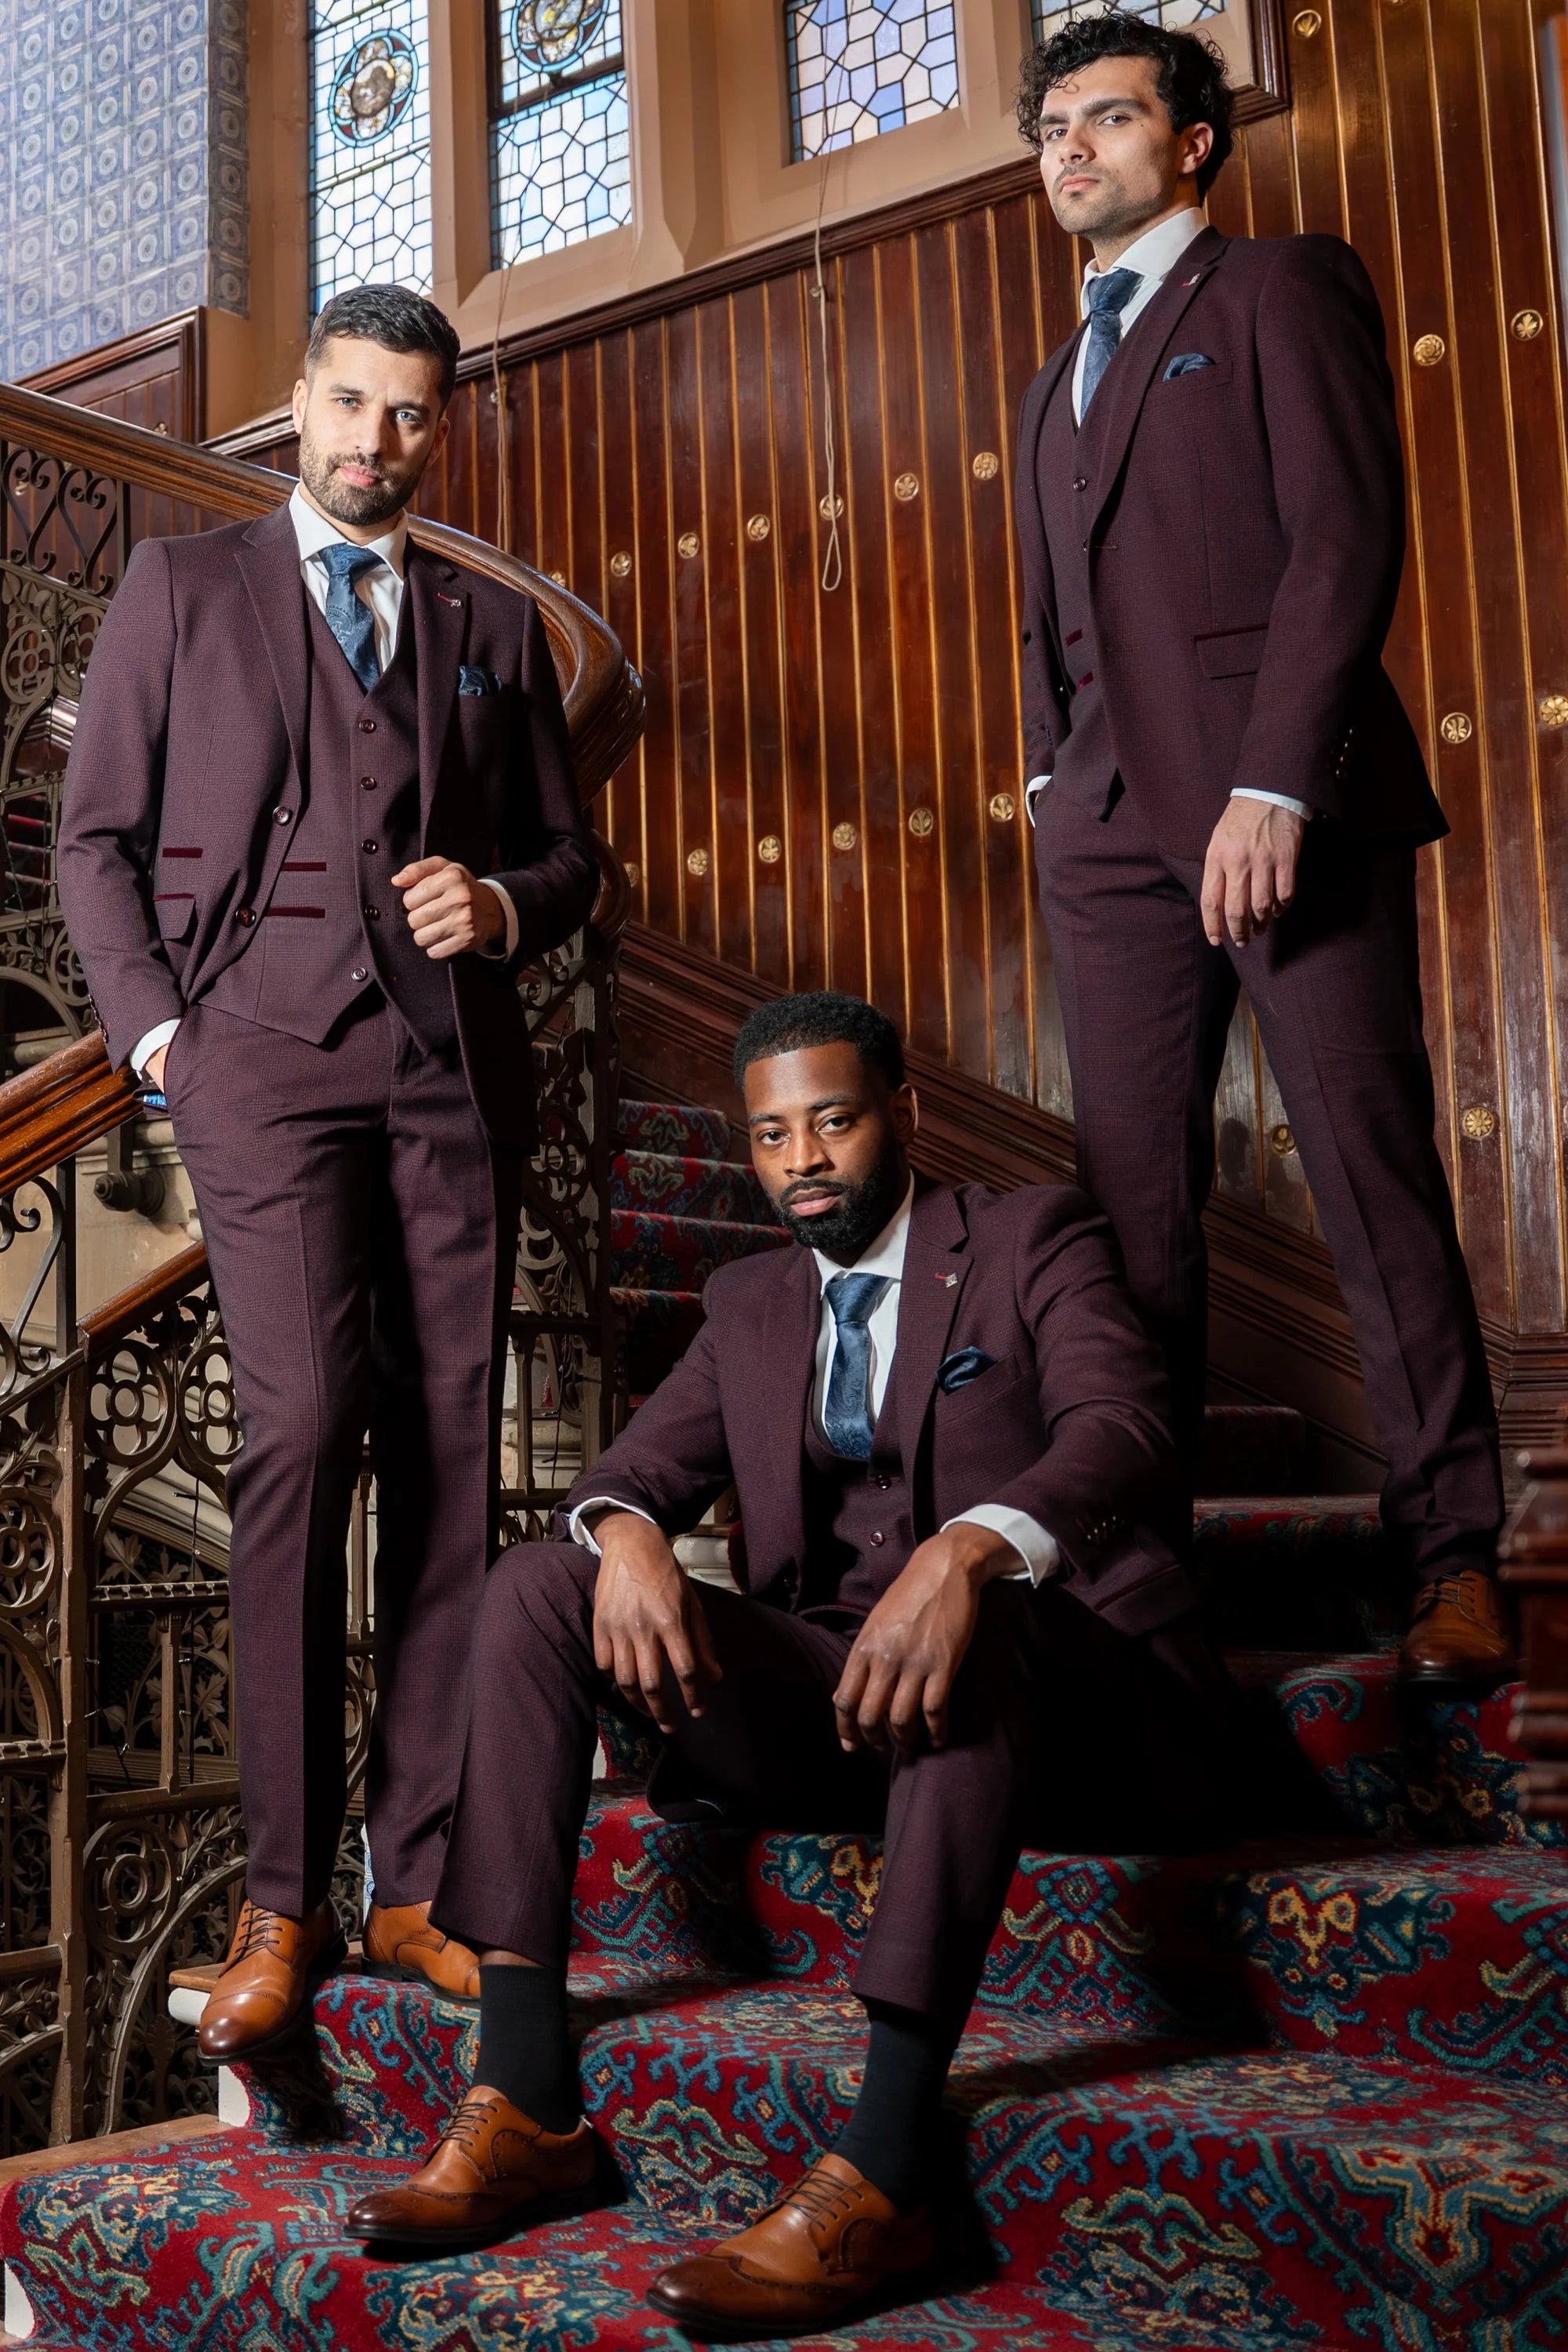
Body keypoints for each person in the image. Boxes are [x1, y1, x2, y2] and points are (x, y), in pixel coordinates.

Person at [345, 990, 1236, 2334]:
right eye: (771, 1137)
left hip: (1071, 1699)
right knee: (542, 1579)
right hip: (844, 1708)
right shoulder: (752, 1298)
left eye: (832, 1120)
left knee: (966, 1619)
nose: (802, 1159)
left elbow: (1126, 1425)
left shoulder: (1025, 1237)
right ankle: (526, 2094)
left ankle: (883, 2169)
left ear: (904, 1114)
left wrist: (969, 1554)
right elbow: (633, 1469)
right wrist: (633, 1532)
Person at [57, 285, 598, 2059]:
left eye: (412, 415)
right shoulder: (180, 588)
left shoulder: (487, 624)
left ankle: (417, 1880)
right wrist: (159, 1044)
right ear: (297, 402)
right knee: (297, 1437)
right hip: (258, 1066)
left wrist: (505, 903)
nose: (376, 441)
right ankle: (282, 1898)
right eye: (350, 403)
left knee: (456, 1456)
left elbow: (572, 861)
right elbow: (96, 845)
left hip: (447, 1071)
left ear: (444, 428)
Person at [1014, 12, 1508, 1692]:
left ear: (1192, 142)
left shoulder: (1280, 288)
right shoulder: (1048, 377)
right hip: (1103, 841)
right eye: (1051, 127)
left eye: (1107, 120)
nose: (1069, 149)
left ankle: (1453, 1558)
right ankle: (1147, 1582)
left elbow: (1344, 537)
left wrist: (1275, 786)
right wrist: (1043, 777)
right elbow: (1054, 620)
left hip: (1278, 817)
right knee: (1133, 1224)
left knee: (1371, 1177)